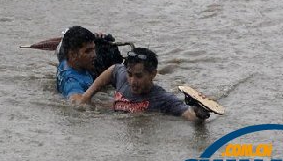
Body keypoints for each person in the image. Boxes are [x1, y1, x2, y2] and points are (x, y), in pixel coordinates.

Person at [73, 47, 211, 122]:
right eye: (130, 74)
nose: (132, 81)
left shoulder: (163, 98)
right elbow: (113, 70)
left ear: (153, 74)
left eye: (139, 76)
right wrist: (86, 97)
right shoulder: (123, 76)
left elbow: (187, 114)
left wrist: (199, 115)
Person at [55, 26, 99, 103]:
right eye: (88, 51)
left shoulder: (64, 59)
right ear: (72, 54)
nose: (94, 55)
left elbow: (69, 34)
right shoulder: (73, 81)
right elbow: (76, 102)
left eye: (94, 49)